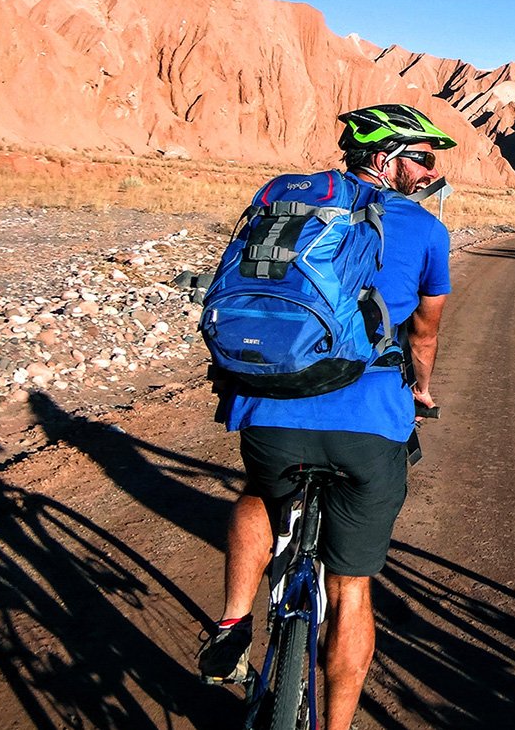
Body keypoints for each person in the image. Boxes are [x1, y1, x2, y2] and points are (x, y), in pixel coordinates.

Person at [197, 103, 456, 730]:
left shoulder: (291, 209)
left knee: (262, 490)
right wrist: (419, 390)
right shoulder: (424, 230)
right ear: (386, 159)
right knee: (350, 590)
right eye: (421, 158)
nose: (430, 170)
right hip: (368, 425)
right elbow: (424, 334)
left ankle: (234, 618)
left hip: (269, 406)